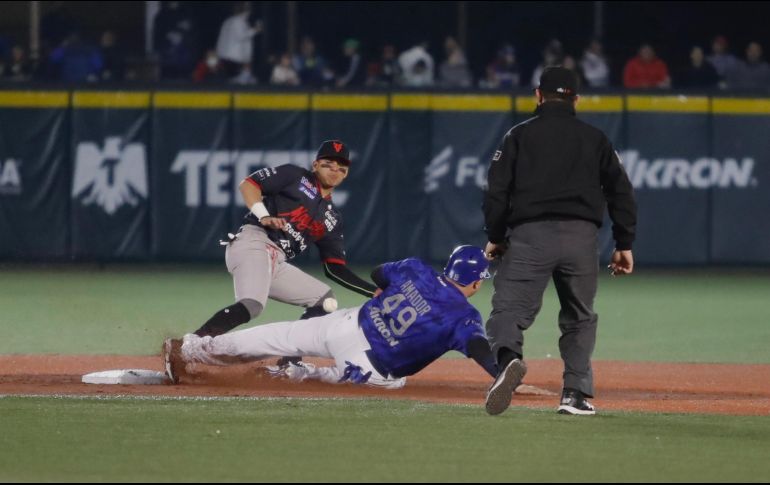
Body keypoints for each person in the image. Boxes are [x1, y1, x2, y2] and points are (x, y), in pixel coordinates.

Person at [482, 67, 637, 416]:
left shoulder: (518, 135)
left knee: (508, 310)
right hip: (581, 238)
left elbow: (496, 192)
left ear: (538, 95)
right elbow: (621, 192)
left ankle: (508, 360)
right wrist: (623, 242)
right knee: (580, 317)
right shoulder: (595, 138)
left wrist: (495, 236)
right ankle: (574, 395)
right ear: (576, 99)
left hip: (529, 237)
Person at [163, 246, 498, 389]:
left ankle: (191, 349)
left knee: (275, 336)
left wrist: (389, 288)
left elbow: (380, 273)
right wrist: (502, 374)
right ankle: (292, 375)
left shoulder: (416, 268)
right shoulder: (464, 315)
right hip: (367, 367)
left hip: (346, 324)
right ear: (477, 282)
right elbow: (480, 348)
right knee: (327, 379)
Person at [189, 140, 378, 346]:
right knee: (252, 305)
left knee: (324, 301)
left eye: (341, 165)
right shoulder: (295, 176)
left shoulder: (332, 217)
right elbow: (249, 184)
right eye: (328, 162)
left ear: (346, 173)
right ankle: (190, 344)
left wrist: (374, 292)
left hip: (276, 260)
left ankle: (289, 363)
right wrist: (263, 215)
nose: (334, 168)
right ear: (315, 165)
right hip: (255, 241)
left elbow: (335, 268)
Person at [216, 1, 262, 84]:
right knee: (235, 80)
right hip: (234, 57)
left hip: (227, 56)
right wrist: (255, 30)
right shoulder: (238, 21)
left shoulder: (229, 21)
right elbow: (241, 36)